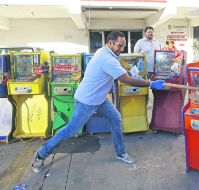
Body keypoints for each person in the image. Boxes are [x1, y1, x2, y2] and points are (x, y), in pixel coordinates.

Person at [31, 31, 166, 173]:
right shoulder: (107, 59)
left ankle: (120, 152)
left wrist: (128, 68)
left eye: (123, 46)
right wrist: (151, 84)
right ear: (110, 43)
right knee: (71, 130)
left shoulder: (104, 52)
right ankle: (41, 154)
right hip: (86, 101)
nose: (122, 49)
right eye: (119, 46)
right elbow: (126, 80)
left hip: (100, 99)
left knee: (116, 118)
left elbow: (119, 68)